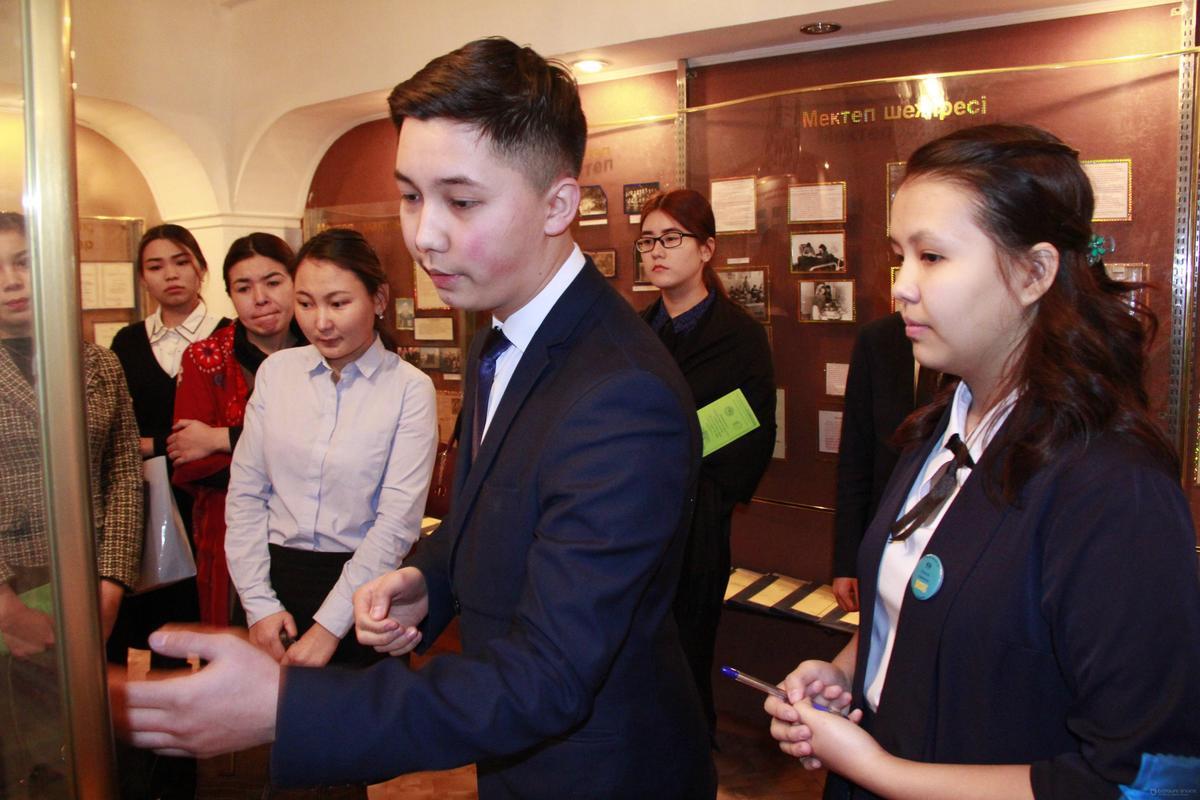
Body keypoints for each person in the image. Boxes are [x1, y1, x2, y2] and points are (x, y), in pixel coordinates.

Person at [119, 37, 716, 800]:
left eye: (460, 201)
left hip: (601, 773)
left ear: (558, 205)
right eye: (410, 195)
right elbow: (492, 513)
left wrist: (287, 707)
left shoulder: (619, 393)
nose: (423, 234)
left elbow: (548, 676)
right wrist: (430, 579)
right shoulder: (501, 337)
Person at [763, 124, 1200, 799]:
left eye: (932, 256)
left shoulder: (1113, 484)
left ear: (1034, 273)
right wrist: (847, 671)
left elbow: (1147, 779)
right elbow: (919, 608)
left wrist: (881, 771)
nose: (901, 287)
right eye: (900, 256)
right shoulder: (940, 425)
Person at [225, 227, 436, 669]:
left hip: (364, 590)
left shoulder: (409, 389)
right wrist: (258, 604)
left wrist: (328, 629)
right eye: (305, 304)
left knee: (359, 712)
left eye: (338, 303)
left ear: (378, 299)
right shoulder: (277, 373)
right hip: (270, 582)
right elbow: (246, 494)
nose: (320, 322)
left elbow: (396, 523)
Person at [0, 212, 142, 791]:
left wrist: (112, 580)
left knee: (83, 745)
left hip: (88, 575)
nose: (10, 281)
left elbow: (124, 474)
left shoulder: (98, 362)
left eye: (23, 262)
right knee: (17, 755)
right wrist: (4, 605)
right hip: (12, 580)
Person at [637, 189, 775, 740]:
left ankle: (692, 753)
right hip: (632, 521)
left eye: (672, 238)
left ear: (707, 249)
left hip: (698, 522)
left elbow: (749, 431)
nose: (657, 251)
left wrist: (669, 450)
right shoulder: (633, 334)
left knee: (688, 651)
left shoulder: (740, 337)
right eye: (648, 240)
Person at [108, 224, 228, 670]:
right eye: (156, 266)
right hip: (151, 497)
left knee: (216, 621)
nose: (170, 275)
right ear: (143, 278)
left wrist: (154, 442)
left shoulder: (228, 335)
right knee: (157, 622)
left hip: (215, 493)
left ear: (201, 269)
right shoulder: (127, 342)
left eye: (181, 262)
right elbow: (116, 424)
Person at [170, 233, 303, 626]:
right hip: (230, 529)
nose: (260, 298)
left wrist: (221, 438)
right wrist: (295, 464)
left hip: (318, 536)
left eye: (273, 282)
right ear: (230, 295)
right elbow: (189, 462)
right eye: (244, 288)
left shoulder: (325, 347)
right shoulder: (204, 358)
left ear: (296, 281)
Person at [832, 312, 943, 613]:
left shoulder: (985, 339)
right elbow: (856, 455)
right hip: (886, 538)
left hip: (950, 545)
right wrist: (847, 562)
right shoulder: (878, 338)